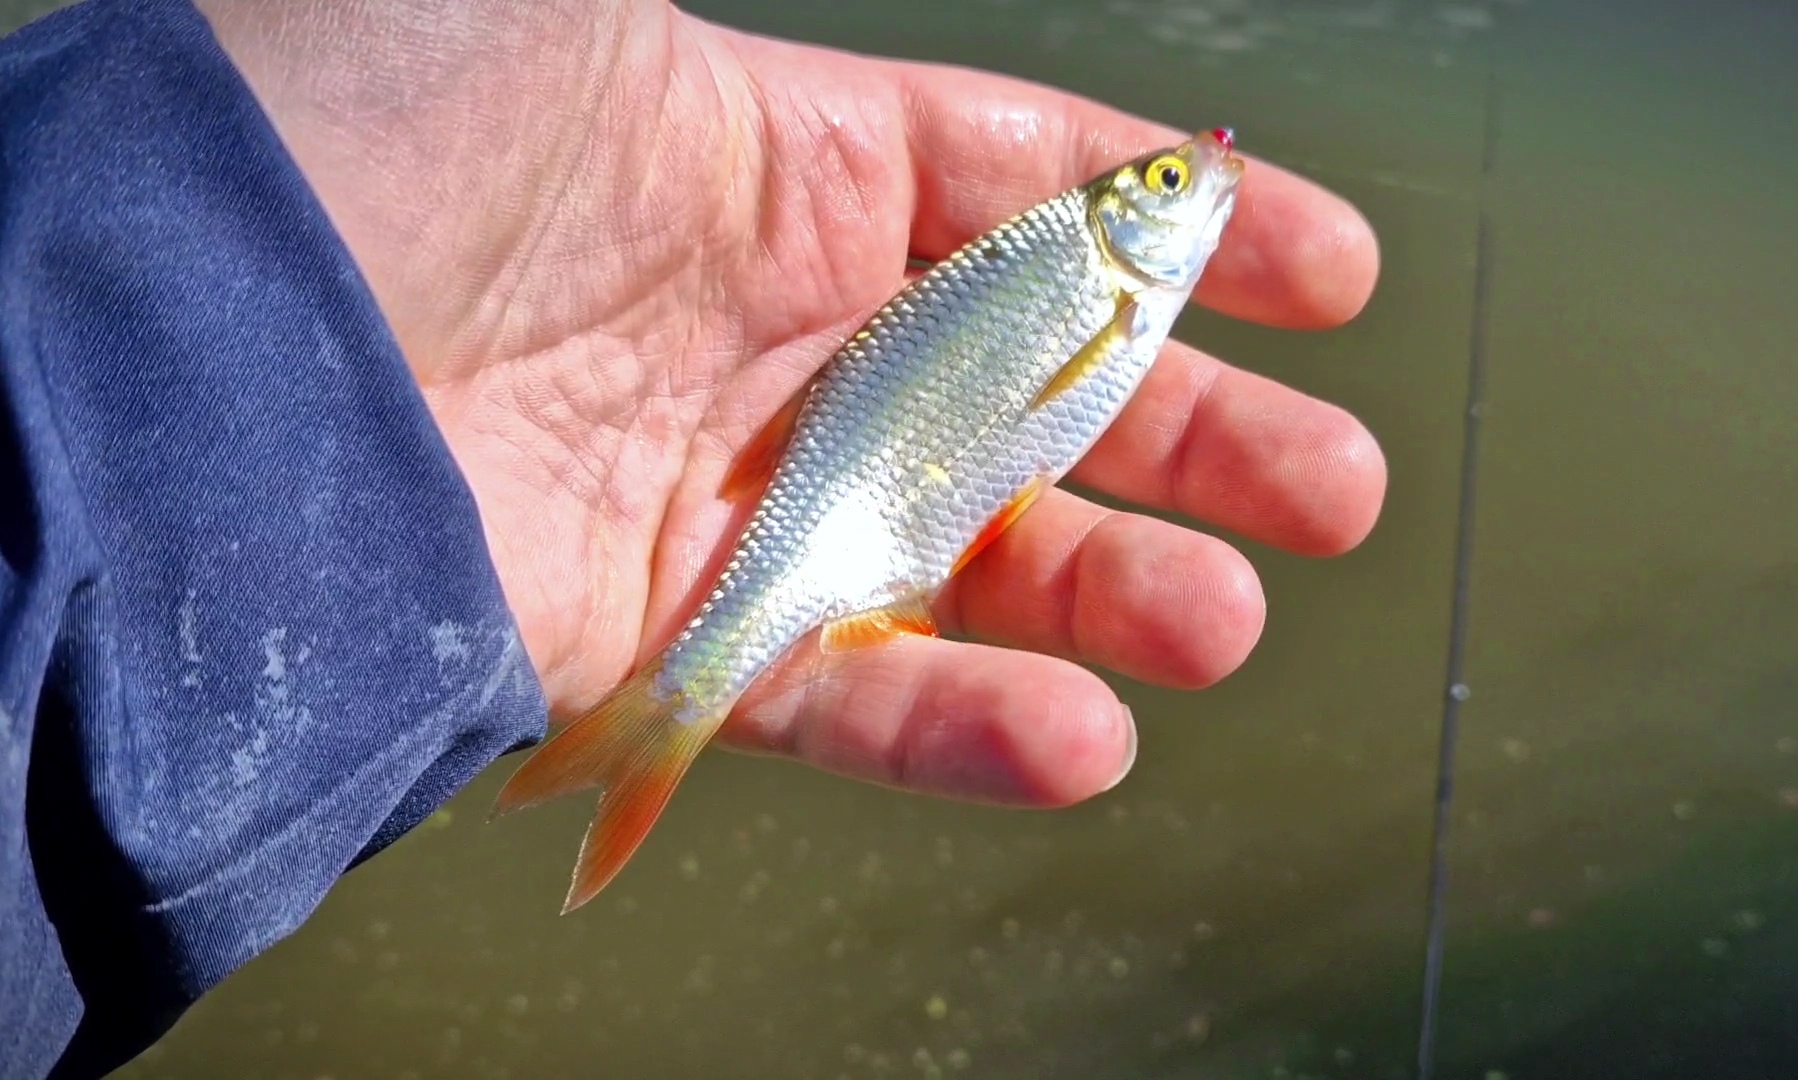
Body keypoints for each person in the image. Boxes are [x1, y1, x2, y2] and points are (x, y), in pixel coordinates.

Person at [0, 0, 1385, 1076]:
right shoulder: (1091, 273)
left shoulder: (1094, 280)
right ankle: (665, 715)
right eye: (1156, 184)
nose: (1185, 184)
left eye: (1162, 185)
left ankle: (658, 721)